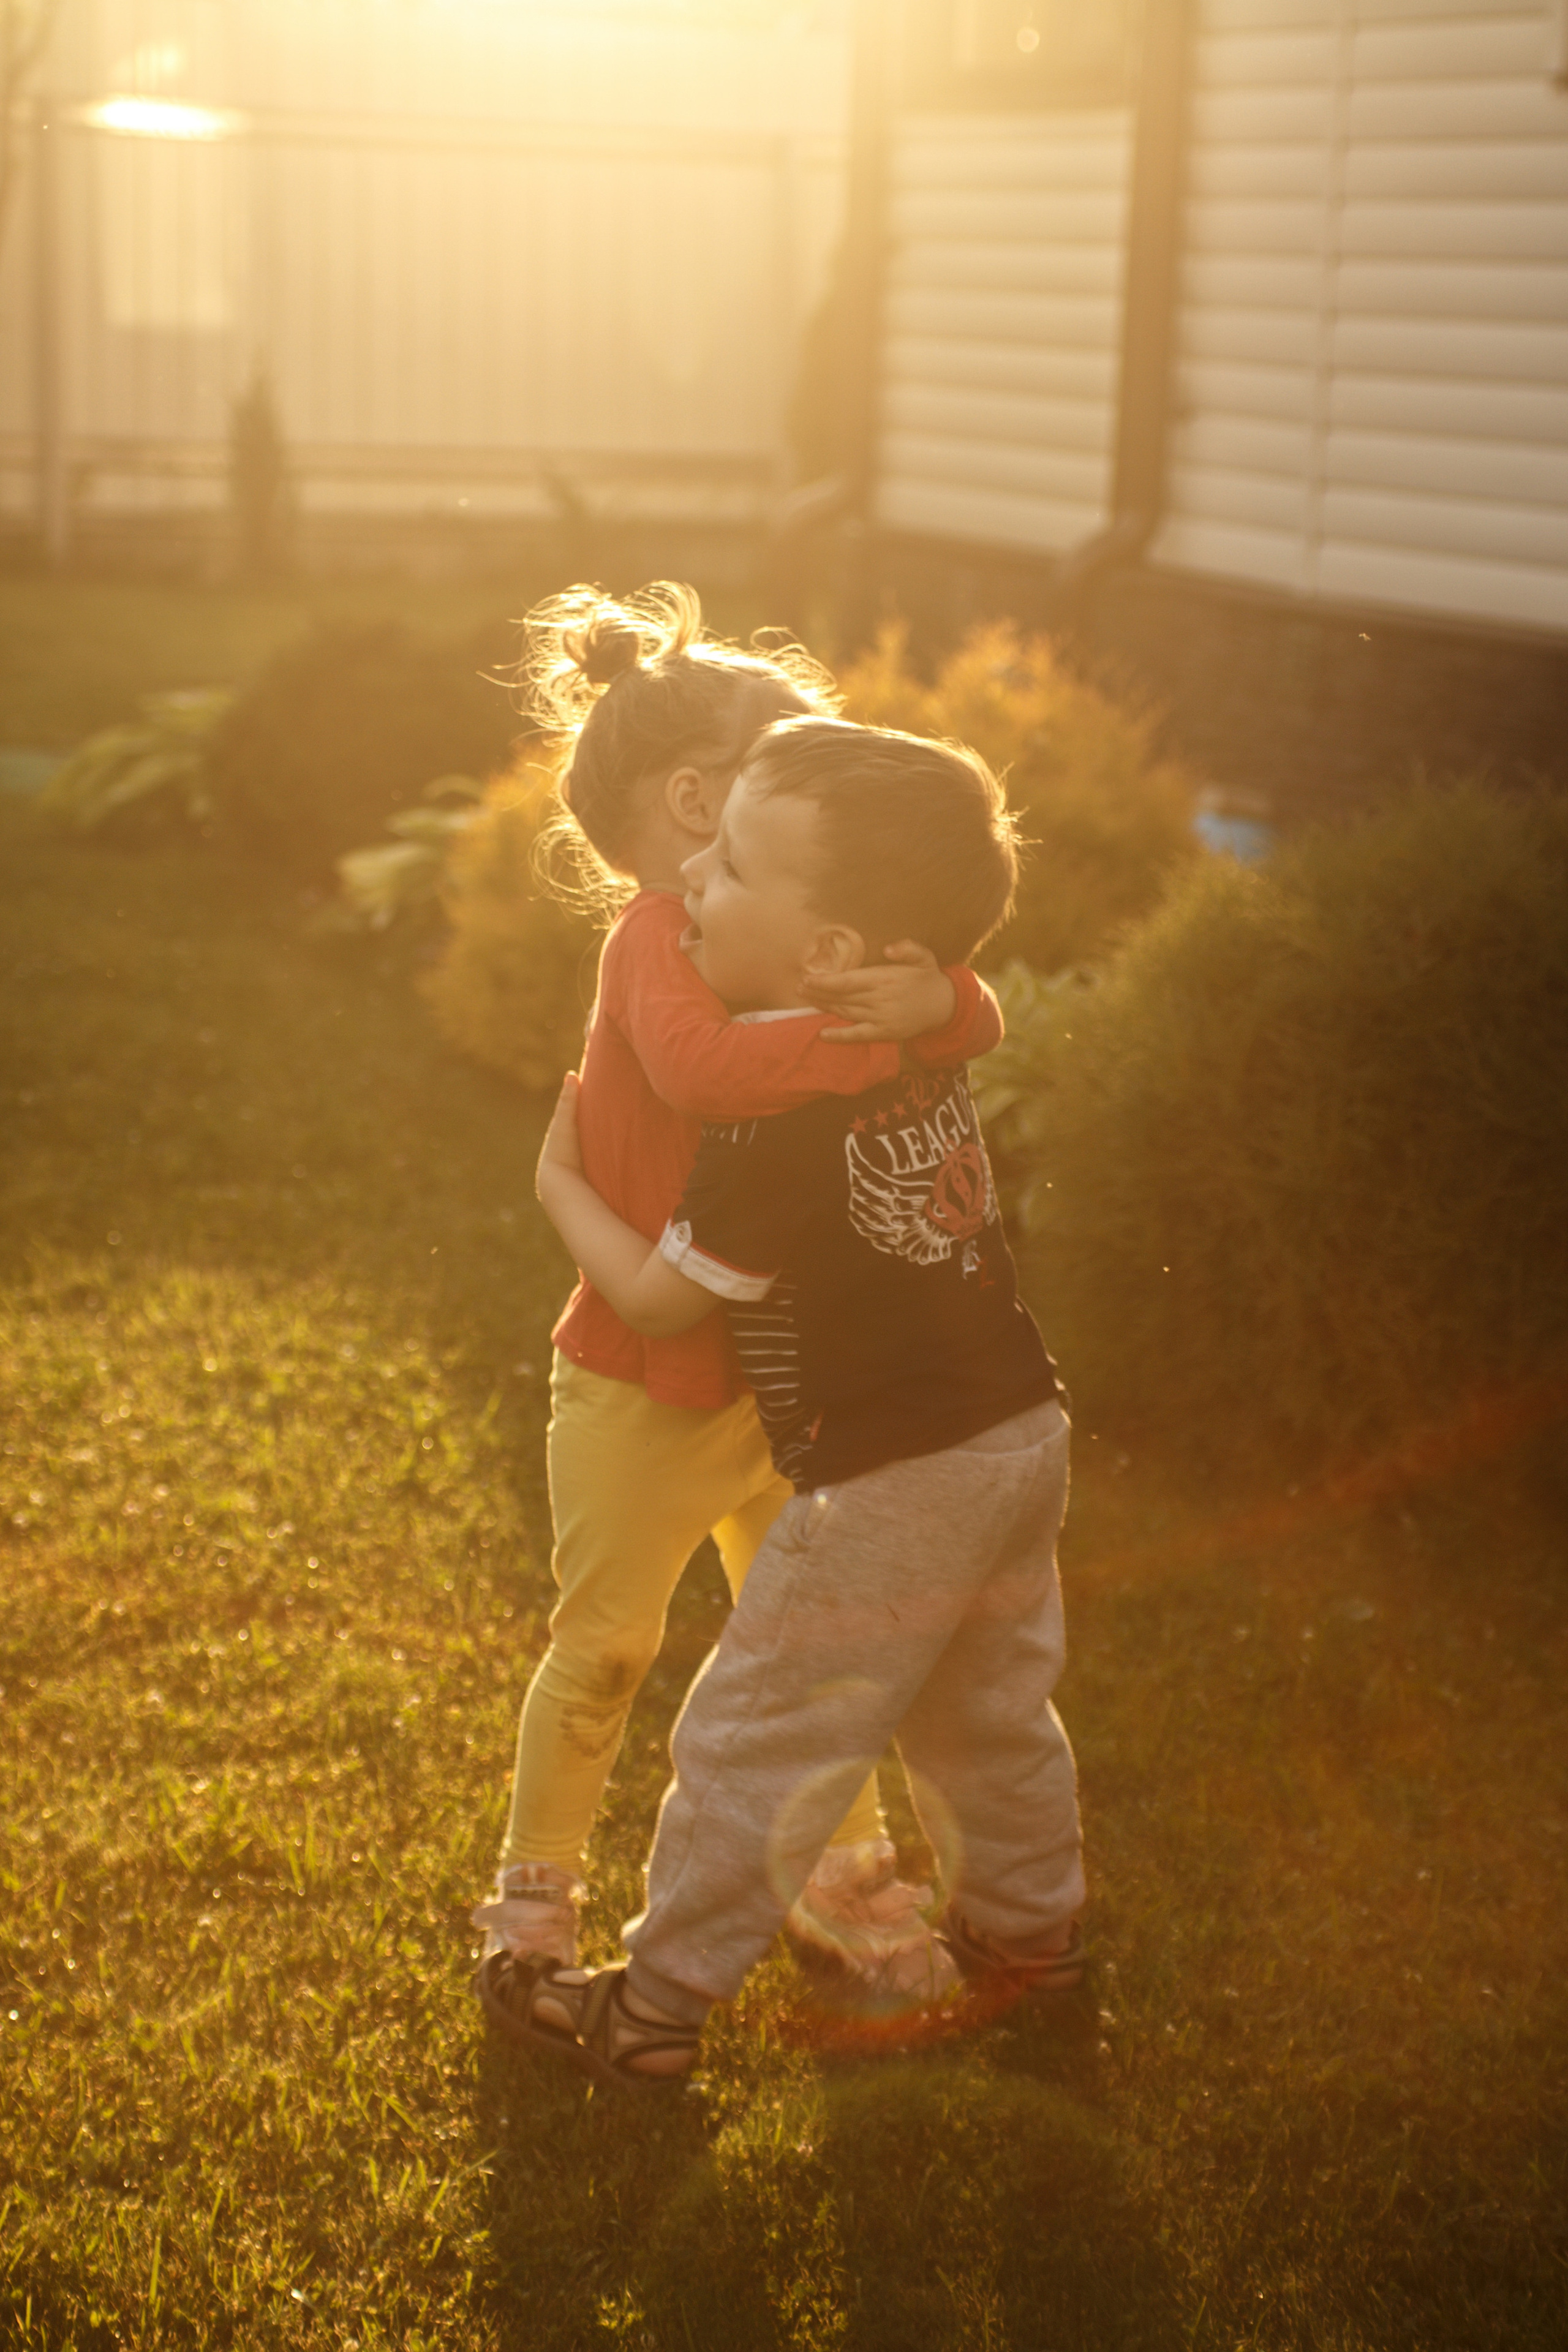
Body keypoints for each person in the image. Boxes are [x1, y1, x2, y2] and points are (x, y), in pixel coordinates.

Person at [482, 715, 1085, 2087]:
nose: (692, 877)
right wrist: (937, 995)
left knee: (749, 1736)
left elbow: (659, 1305)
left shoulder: (771, 1130)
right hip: (1016, 1430)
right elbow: (963, 1000)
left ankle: (650, 2009)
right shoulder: (908, 1029)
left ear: (828, 955)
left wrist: (560, 1189)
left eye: (734, 866)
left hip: (887, 1470)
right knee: (986, 1717)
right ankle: (1034, 1947)